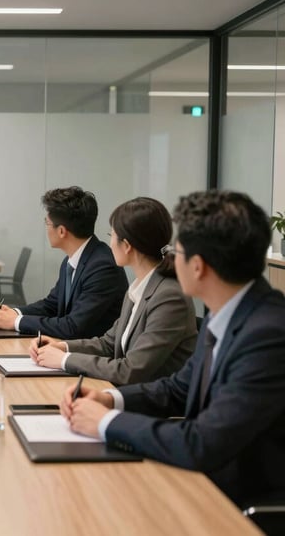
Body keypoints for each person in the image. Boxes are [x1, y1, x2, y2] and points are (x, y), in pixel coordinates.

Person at [62, 190, 285, 507]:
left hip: (236, 504)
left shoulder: (267, 335)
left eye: (175, 251)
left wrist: (104, 422)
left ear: (198, 267)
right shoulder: (226, 313)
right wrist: (110, 398)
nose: (169, 259)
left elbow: (202, 443)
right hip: (201, 481)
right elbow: (179, 388)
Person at [30, 197, 197, 385]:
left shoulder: (169, 297)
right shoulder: (139, 287)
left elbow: (129, 370)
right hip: (124, 393)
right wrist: (62, 346)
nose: (109, 244)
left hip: (148, 406)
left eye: (112, 236)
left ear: (126, 246)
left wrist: (63, 360)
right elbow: (108, 343)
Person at [0, 186, 128, 338]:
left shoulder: (102, 266)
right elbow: (51, 305)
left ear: (61, 231)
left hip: (93, 356)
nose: (46, 228)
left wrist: (16, 322)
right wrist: (12, 313)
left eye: (47, 223)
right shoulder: (73, 259)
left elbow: (73, 326)